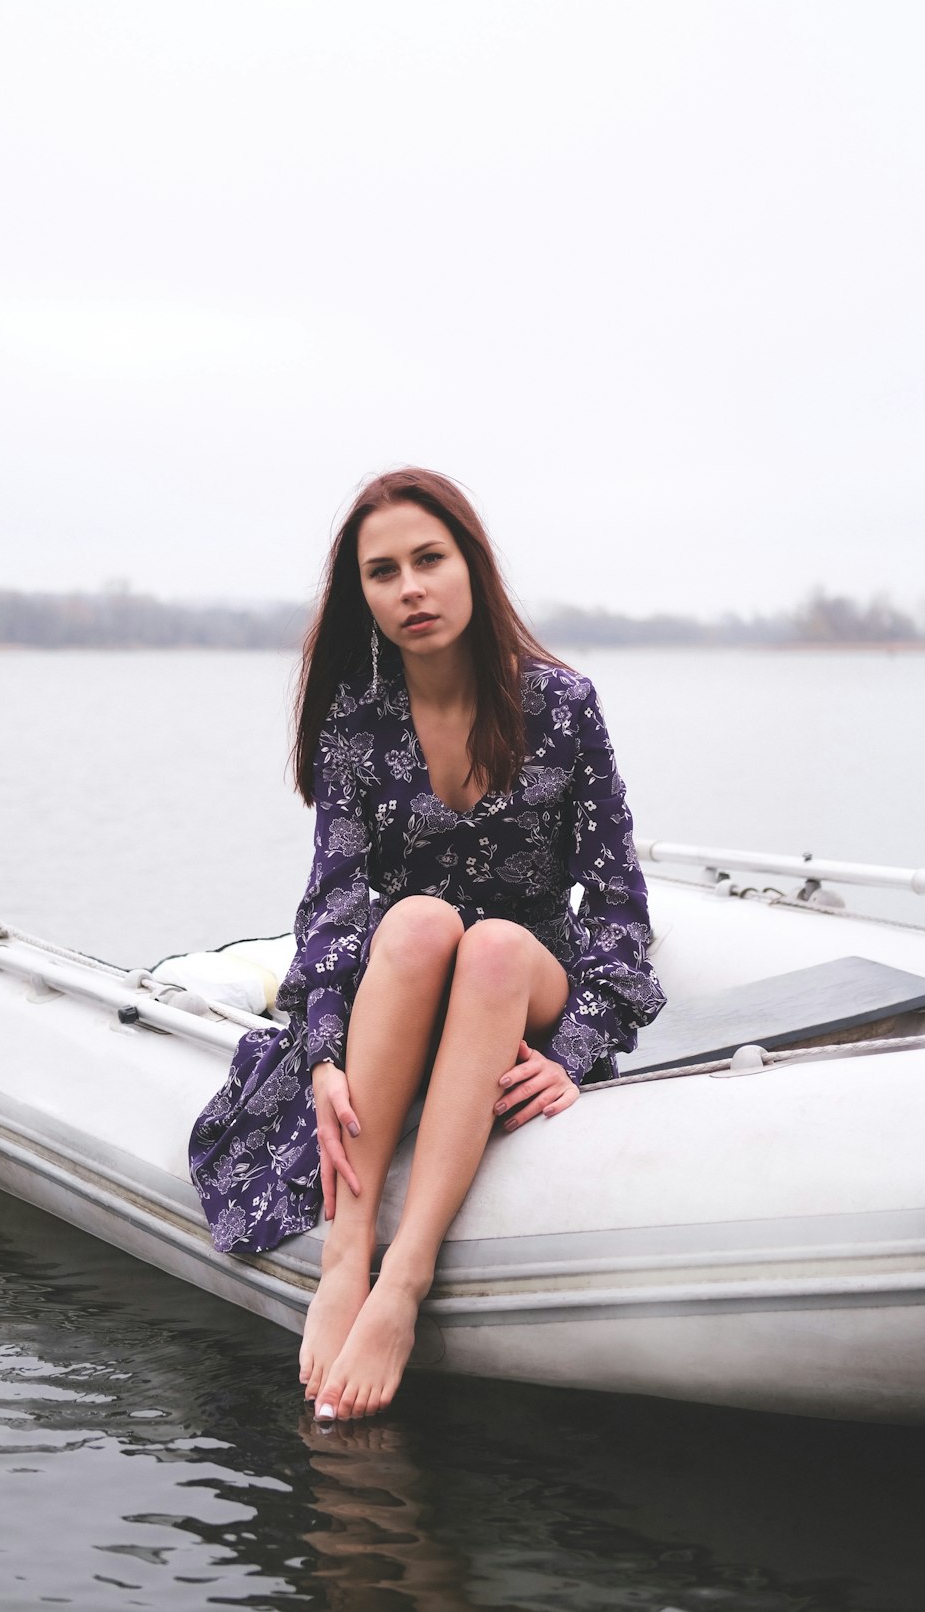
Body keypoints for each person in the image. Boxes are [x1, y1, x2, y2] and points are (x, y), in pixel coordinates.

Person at [189, 467, 665, 1422]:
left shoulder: (562, 708)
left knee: (487, 943)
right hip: (401, 974)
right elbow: (330, 904)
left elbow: (620, 914)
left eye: (428, 560)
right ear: (360, 596)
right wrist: (322, 1055)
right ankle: (345, 1254)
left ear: (471, 568)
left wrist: (574, 1053)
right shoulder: (355, 723)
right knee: (414, 920)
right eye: (382, 571)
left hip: (517, 975)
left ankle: (403, 1283)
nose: (409, 588)